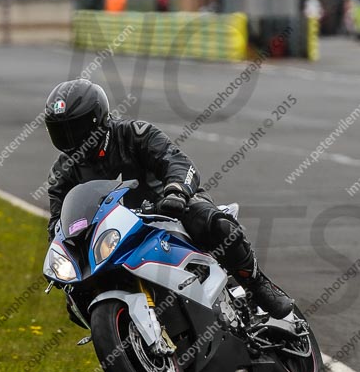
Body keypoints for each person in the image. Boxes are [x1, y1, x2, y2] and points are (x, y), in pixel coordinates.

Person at [44, 79, 293, 319]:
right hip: (115, 233)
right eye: (61, 132)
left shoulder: (134, 134)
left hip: (167, 210)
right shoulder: (62, 171)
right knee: (76, 294)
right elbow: (58, 221)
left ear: (97, 119)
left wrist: (175, 191)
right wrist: (60, 253)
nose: (70, 139)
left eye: (75, 129)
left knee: (214, 224)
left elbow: (177, 161)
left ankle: (258, 285)